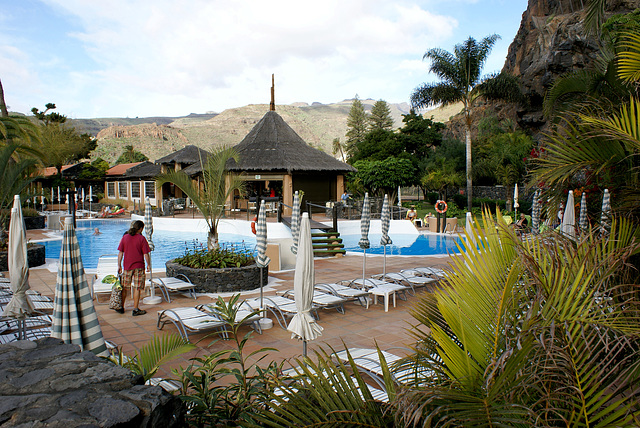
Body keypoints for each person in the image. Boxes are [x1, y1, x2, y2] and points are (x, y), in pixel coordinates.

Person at [117, 220, 151, 316]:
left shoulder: (125, 238)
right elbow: (146, 254)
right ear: (140, 229)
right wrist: (149, 265)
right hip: (139, 267)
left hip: (127, 267)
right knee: (137, 288)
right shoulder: (142, 239)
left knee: (124, 287)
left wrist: (119, 265)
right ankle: (135, 309)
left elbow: (120, 253)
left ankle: (121, 307)